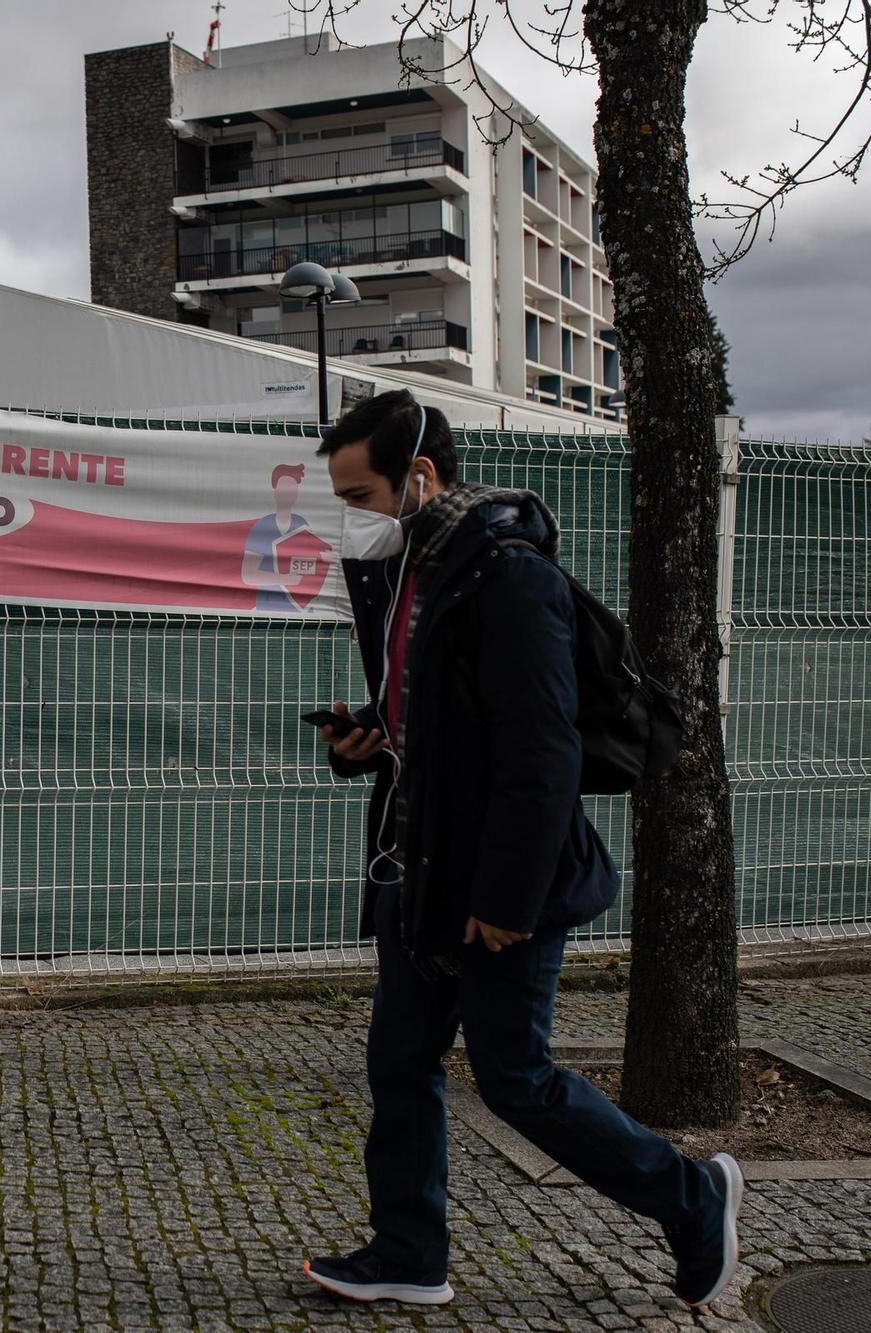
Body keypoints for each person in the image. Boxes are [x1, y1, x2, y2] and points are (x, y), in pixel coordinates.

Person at [300, 389, 743, 1310]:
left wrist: (506, 897)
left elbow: (544, 752)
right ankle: (408, 1253)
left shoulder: (507, 575)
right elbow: (442, 726)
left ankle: (692, 1195)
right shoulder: (417, 567)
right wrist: (371, 741)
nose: (352, 516)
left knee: (516, 1078)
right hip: (418, 864)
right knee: (399, 1061)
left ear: (420, 476)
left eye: (360, 494)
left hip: (499, 884)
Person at [242, 462, 313, 613]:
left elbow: (309, 561)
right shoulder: (263, 527)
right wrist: (286, 579)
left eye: (292, 487)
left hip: (301, 611)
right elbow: (248, 575)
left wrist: (323, 557)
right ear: (275, 490)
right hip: (268, 609)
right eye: (284, 486)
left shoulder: (301, 524)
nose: (288, 492)